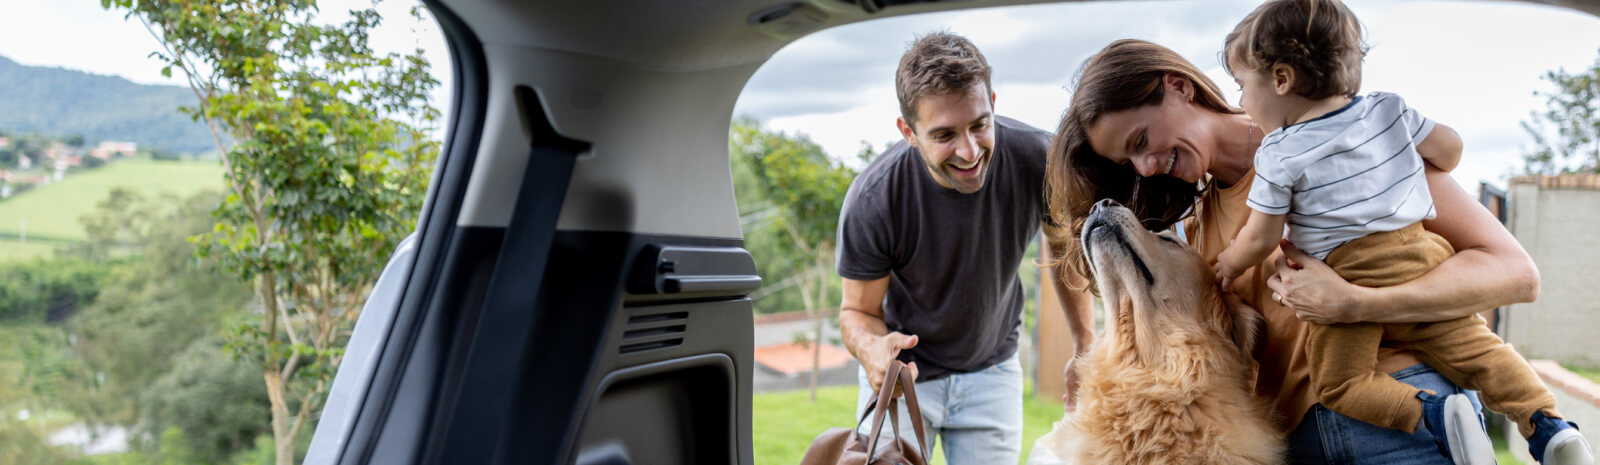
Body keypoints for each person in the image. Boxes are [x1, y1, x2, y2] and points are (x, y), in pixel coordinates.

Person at [1045, 37, 1545, 464]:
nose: (1147, 166)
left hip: (1406, 418)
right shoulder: (1194, 234)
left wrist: (1359, 304)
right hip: (1296, 443)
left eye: (1141, 139)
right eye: (1129, 161)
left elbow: (1513, 273)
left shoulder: (1347, 138)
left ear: (1178, 85)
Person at [1209, 2, 1591, 464]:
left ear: (1282, 79)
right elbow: (1449, 151)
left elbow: (1261, 239)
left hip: (1347, 274)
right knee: (1481, 351)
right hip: (1419, 254)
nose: (1241, 103)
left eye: (1242, 86)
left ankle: (1434, 414)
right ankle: (1548, 426)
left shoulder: (1278, 153)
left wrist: (1227, 264)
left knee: (1342, 384)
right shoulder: (1387, 109)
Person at [835, 31, 1095, 465]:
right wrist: (872, 350)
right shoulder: (874, 198)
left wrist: (1085, 344)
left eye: (979, 124)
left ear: (992, 101)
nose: (970, 151)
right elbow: (856, 312)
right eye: (944, 135)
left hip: (992, 374)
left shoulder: (1040, 159)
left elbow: (1061, 249)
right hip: (905, 379)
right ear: (908, 132)